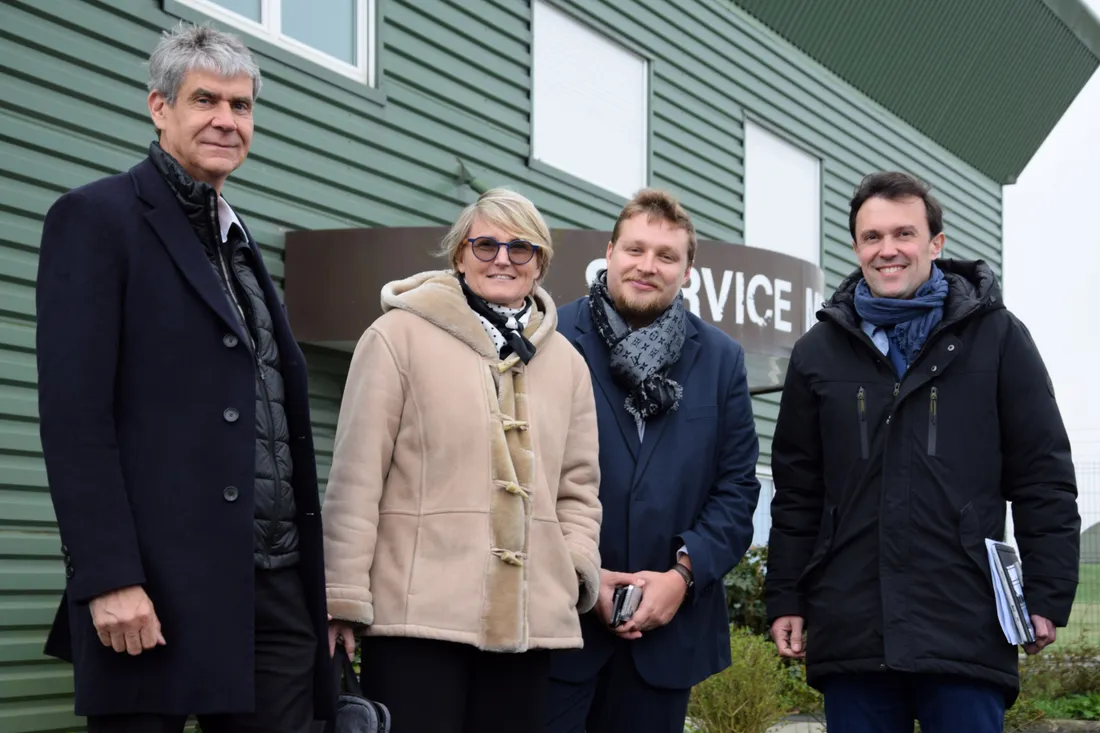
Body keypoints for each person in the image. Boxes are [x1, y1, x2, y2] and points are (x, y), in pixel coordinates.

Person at [35, 23, 333, 732]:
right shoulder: (96, 219)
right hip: (154, 585)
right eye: (206, 100)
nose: (227, 120)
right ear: (159, 107)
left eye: (242, 105)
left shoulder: (239, 243)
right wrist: (107, 575)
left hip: (276, 583)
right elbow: (75, 416)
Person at [766, 171, 1081, 733]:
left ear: (935, 244)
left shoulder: (1000, 340)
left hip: (967, 623)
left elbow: (1043, 478)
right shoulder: (817, 353)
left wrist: (1046, 593)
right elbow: (798, 492)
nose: (888, 250)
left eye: (904, 234)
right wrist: (787, 596)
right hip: (853, 629)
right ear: (857, 247)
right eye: (871, 237)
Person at [322, 187, 603, 733]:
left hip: (527, 625)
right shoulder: (396, 337)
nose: (502, 258)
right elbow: (356, 479)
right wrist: (342, 598)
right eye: (486, 244)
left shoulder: (568, 364)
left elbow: (579, 488)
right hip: (415, 622)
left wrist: (568, 569)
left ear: (539, 262)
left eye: (520, 247)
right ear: (458, 254)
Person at [545, 188, 762, 733]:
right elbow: (520, 473)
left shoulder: (721, 360)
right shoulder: (548, 340)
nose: (648, 266)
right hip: (557, 630)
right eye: (635, 250)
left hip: (666, 640)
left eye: (667, 256)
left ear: (687, 271)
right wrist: (582, 574)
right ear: (610, 251)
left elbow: (736, 490)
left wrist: (682, 578)